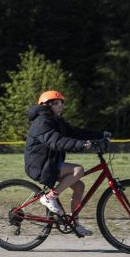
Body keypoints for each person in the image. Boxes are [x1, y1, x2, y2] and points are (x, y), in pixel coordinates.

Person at [24, 90, 108, 237]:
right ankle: (50, 197)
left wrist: (100, 135)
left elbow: (76, 132)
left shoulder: (57, 121)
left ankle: (75, 223)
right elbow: (57, 142)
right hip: (40, 166)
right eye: (56, 103)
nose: (60, 106)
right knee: (78, 170)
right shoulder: (42, 122)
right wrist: (82, 145)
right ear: (46, 106)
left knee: (80, 186)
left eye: (61, 103)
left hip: (50, 163)